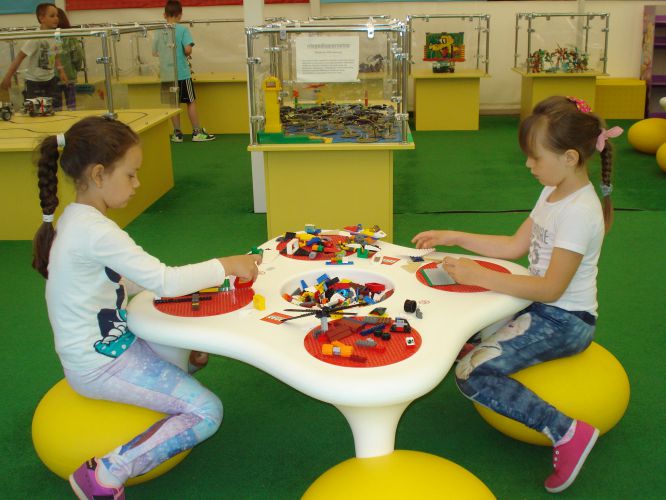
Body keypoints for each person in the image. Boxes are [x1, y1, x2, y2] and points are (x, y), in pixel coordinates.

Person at [33, 116, 260, 498]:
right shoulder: (96, 231)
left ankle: (186, 365)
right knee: (208, 411)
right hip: (100, 365)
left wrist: (196, 281)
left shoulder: (77, 220)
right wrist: (226, 265)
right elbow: (164, 281)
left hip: (111, 346)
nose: (137, 183)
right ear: (99, 174)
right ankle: (105, 474)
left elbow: (126, 282)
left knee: (185, 347)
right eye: (131, 174)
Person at [412, 95, 622, 494]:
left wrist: (480, 276)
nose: (528, 165)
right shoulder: (554, 190)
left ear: (570, 158)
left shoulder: (579, 212)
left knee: (470, 373)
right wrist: (454, 236)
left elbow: (552, 288)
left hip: (566, 321)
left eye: (535, 157)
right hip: (539, 305)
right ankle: (483, 346)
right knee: (463, 324)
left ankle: (567, 432)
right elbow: (513, 246)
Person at [152, 0, 215, 142]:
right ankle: (196, 132)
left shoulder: (158, 30)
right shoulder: (182, 30)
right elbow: (188, 49)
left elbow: (154, 52)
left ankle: (177, 134)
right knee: (190, 102)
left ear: (164, 15)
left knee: (173, 104)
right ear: (180, 15)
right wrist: (184, 53)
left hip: (166, 74)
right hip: (182, 73)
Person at [1, 3, 67, 109]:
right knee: (35, 110)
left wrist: (61, 71)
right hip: (34, 82)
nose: (56, 18)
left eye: (57, 15)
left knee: (54, 108)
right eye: (52, 16)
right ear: (42, 18)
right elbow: (19, 57)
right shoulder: (35, 37)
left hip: (50, 80)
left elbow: (56, 55)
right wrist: (8, 77)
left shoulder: (57, 36)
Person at [56, 8, 84, 110]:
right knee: (71, 107)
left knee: (55, 107)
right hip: (69, 76)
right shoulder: (69, 36)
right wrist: (77, 68)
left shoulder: (47, 35)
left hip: (51, 78)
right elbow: (77, 55)